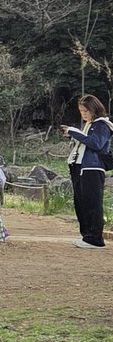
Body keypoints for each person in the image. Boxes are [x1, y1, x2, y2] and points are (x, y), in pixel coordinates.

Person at [61, 94, 113, 250]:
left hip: (92, 167)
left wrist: (74, 132)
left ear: (94, 109)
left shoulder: (102, 124)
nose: (83, 114)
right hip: (80, 166)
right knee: (81, 202)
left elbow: (96, 144)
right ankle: (87, 236)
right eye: (81, 111)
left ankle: (95, 238)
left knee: (92, 203)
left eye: (86, 111)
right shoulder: (90, 125)